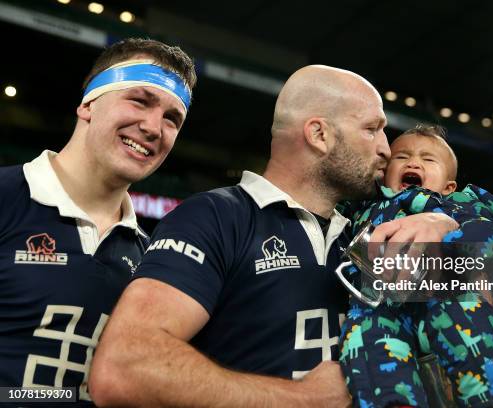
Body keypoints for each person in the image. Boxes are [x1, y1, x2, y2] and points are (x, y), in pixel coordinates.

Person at [88, 64, 392, 407]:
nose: (386, 149)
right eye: (372, 129)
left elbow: (462, 294)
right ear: (319, 135)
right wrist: (302, 400)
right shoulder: (215, 217)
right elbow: (124, 367)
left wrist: (446, 221)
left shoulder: (370, 234)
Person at [0, 38, 196, 405]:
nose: (154, 127)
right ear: (88, 104)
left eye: (172, 119)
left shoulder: (152, 256)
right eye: (140, 100)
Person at [339, 126, 493, 407]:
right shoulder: (361, 208)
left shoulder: (462, 205)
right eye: (402, 157)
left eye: (428, 159)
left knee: (467, 310)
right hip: (381, 301)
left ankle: (489, 396)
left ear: (450, 185)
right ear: (385, 174)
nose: (413, 162)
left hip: (443, 295)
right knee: (366, 337)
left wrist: (450, 235)